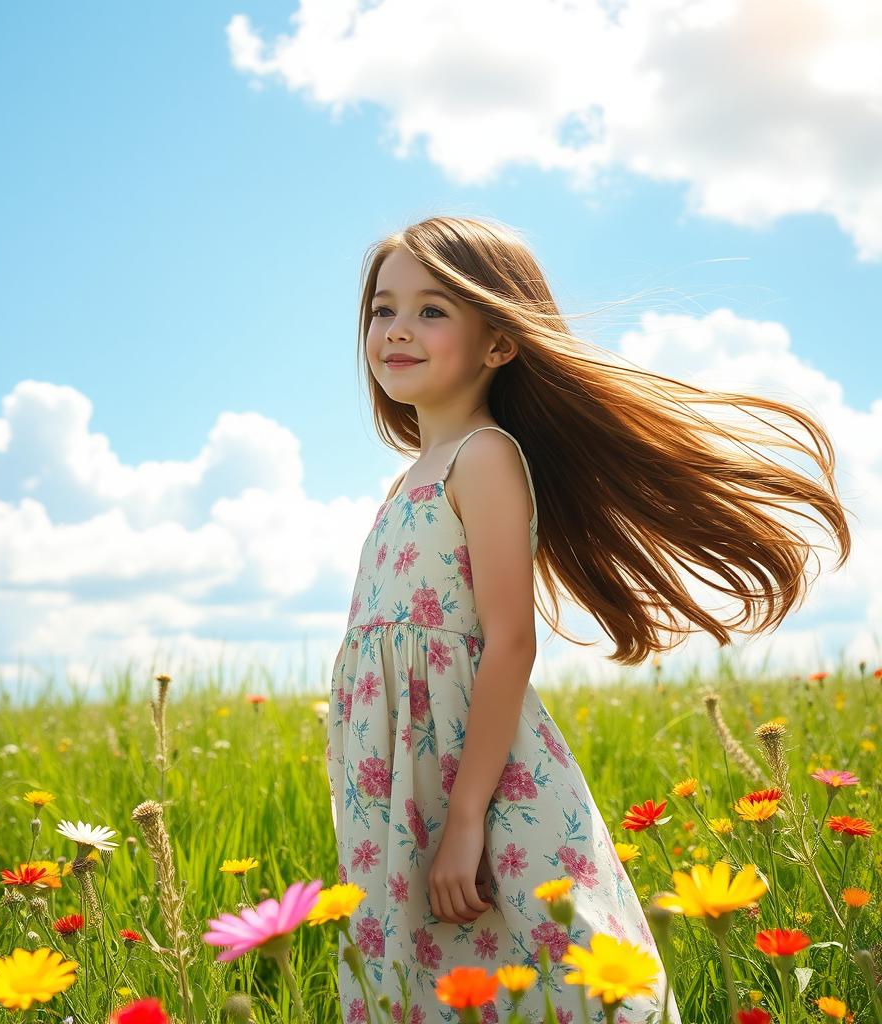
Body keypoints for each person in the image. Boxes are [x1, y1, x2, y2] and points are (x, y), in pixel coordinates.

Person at [325, 215, 851, 1024]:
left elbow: (508, 642)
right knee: (427, 985)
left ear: (499, 342)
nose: (396, 330)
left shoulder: (485, 458)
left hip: (478, 782)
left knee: (548, 967)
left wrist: (466, 820)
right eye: (381, 309)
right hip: (397, 788)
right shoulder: (404, 486)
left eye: (431, 311)